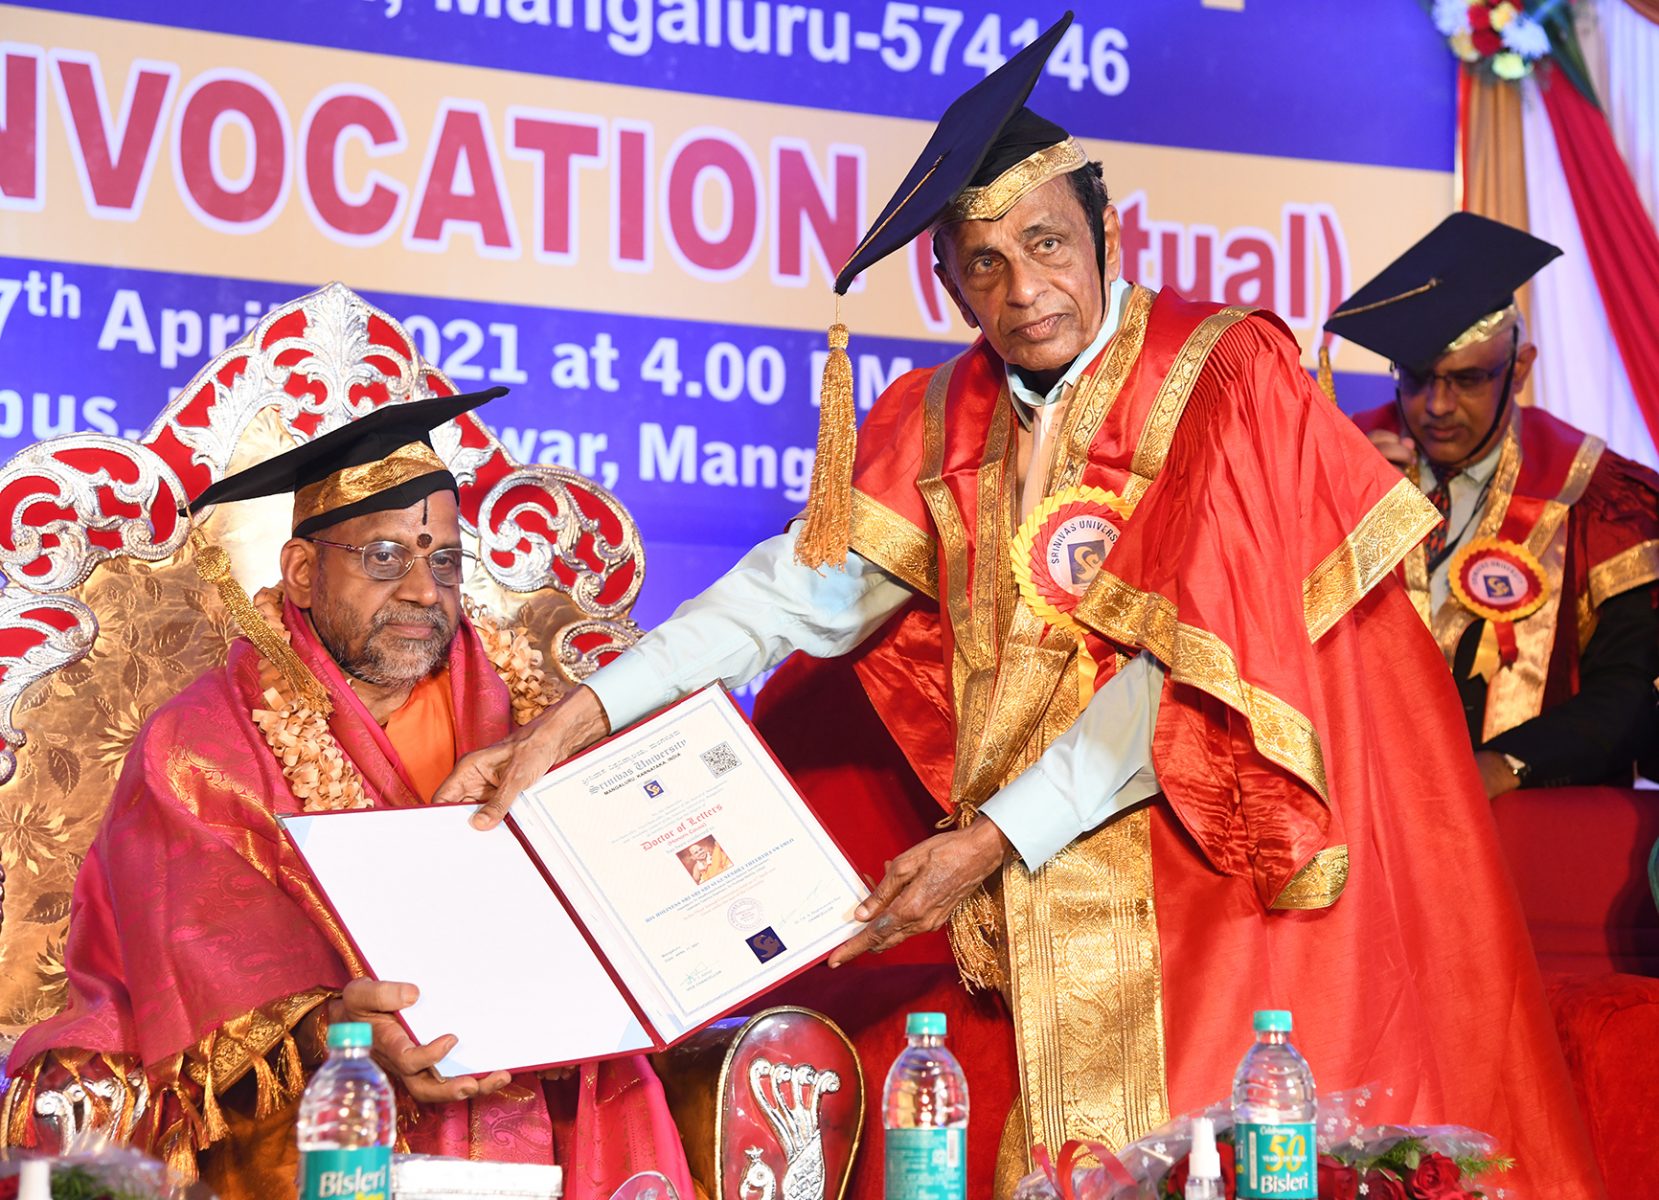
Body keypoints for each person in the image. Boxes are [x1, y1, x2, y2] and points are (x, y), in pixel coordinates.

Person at [438, 18, 1604, 1197]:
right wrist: (574, 720)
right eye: (982, 262)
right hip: (1035, 889)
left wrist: (995, 838)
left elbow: (1207, 667)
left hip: (1213, 872)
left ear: (1108, 229)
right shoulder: (938, 412)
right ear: (946, 279)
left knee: (1222, 1162)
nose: (1024, 286)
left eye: (1047, 241)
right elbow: (780, 601)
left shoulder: (1227, 376)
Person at [0, 391, 692, 1200]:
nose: (422, 592)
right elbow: (190, 963)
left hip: (544, 1075)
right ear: (301, 572)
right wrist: (337, 1030)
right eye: (384, 558)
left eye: (443, 562)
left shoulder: (536, 722)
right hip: (312, 1101)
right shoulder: (200, 744)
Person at [1329, 213, 1659, 798]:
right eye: (1417, 378)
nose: (1436, 405)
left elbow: (1628, 692)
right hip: (1363, 815)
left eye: (1468, 379)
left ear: (1521, 369)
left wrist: (1500, 768)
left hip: (1528, 828)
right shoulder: (1338, 463)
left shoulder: (1596, 495)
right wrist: (1342, 522)